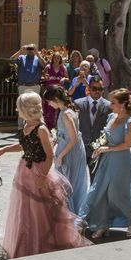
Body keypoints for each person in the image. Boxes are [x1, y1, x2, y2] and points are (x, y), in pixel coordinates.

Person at [0, 92, 90, 258]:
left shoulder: (41, 129)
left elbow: (49, 155)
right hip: (24, 170)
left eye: (18, 107)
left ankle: (41, 242)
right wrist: (3, 149)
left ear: (25, 109)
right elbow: (23, 145)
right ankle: (24, 241)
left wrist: (43, 176)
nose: (16, 110)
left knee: (40, 210)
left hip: (38, 171)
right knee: (23, 208)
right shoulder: (26, 126)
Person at [81, 89, 131, 239]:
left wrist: (106, 148)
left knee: (116, 195)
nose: (110, 105)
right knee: (100, 193)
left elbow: (127, 145)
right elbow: (106, 137)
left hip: (121, 161)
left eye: (113, 102)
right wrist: (100, 148)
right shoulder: (111, 116)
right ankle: (103, 225)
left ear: (122, 105)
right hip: (107, 161)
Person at [43, 86, 88, 214]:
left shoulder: (66, 114)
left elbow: (73, 139)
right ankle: (69, 214)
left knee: (67, 182)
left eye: (49, 101)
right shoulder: (66, 111)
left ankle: (69, 215)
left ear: (56, 99)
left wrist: (61, 156)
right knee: (68, 181)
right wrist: (56, 139)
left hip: (70, 151)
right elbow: (67, 134)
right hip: (69, 148)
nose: (49, 104)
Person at [74, 77, 111, 177]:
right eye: (94, 88)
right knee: (77, 179)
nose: (97, 91)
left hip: (98, 149)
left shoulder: (109, 106)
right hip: (80, 147)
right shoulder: (78, 104)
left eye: (100, 89)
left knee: (95, 179)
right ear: (89, 88)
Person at [10, 44, 45, 129]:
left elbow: (44, 65)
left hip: (35, 86)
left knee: (36, 106)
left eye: (32, 48)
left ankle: (35, 127)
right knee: (21, 106)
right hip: (23, 86)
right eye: (29, 48)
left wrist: (37, 53)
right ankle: (21, 128)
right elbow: (12, 59)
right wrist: (20, 50)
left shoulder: (38, 58)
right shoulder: (22, 57)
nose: (30, 50)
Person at [42, 52, 68, 129]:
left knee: (58, 110)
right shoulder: (48, 67)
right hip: (49, 92)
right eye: (55, 57)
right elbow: (43, 77)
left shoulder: (63, 67)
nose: (56, 59)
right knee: (49, 111)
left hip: (59, 93)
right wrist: (45, 78)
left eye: (58, 58)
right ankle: (49, 128)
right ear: (52, 58)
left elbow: (67, 78)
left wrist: (64, 78)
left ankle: (58, 127)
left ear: (60, 59)